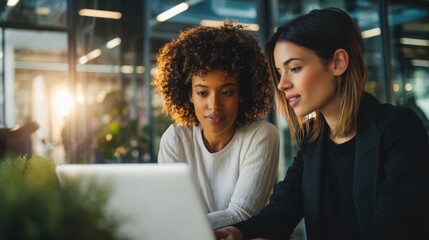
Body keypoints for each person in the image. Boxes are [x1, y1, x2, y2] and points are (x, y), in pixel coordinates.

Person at [215, 7, 429, 240]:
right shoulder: (313, 138)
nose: (282, 84)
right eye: (279, 72)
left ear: (338, 62)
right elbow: (282, 209)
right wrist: (237, 231)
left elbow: (394, 229)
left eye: (294, 68)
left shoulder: (398, 128)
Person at [151, 22, 280, 230]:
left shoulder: (261, 135)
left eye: (227, 92)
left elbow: (241, 213)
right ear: (189, 95)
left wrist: (181, 226)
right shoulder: (175, 139)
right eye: (202, 93)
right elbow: (171, 210)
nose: (214, 105)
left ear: (242, 93)